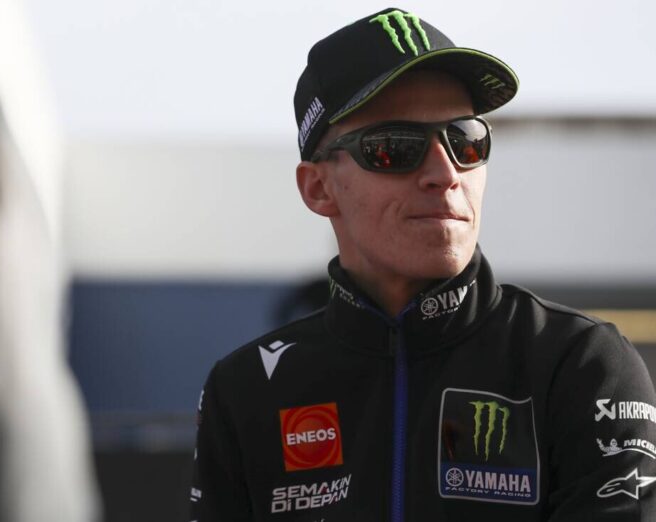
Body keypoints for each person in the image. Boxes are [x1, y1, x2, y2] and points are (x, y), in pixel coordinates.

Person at [189, 8, 656, 521]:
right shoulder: (246, 390)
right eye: (395, 147)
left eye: (466, 139)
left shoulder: (581, 365)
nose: (445, 172)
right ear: (318, 188)